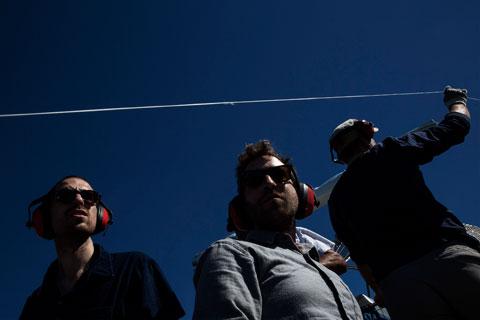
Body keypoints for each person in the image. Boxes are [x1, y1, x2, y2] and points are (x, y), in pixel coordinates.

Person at [327, 86, 480, 320]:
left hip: (399, 286)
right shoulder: (391, 151)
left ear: (341, 155)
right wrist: (457, 102)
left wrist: (382, 290)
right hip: (447, 258)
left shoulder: (337, 200)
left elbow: (362, 261)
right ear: (367, 137)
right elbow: (457, 126)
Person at [193, 140, 363, 320]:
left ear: (299, 191)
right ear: (242, 207)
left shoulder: (321, 265)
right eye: (254, 181)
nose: (268, 183)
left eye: (279, 174)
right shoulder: (231, 254)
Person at [21, 175, 185, 320]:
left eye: (89, 196)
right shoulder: (35, 304)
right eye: (66, 195)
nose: (79, 200)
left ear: (99, 215)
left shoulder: (135, 268)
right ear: (45, 218)